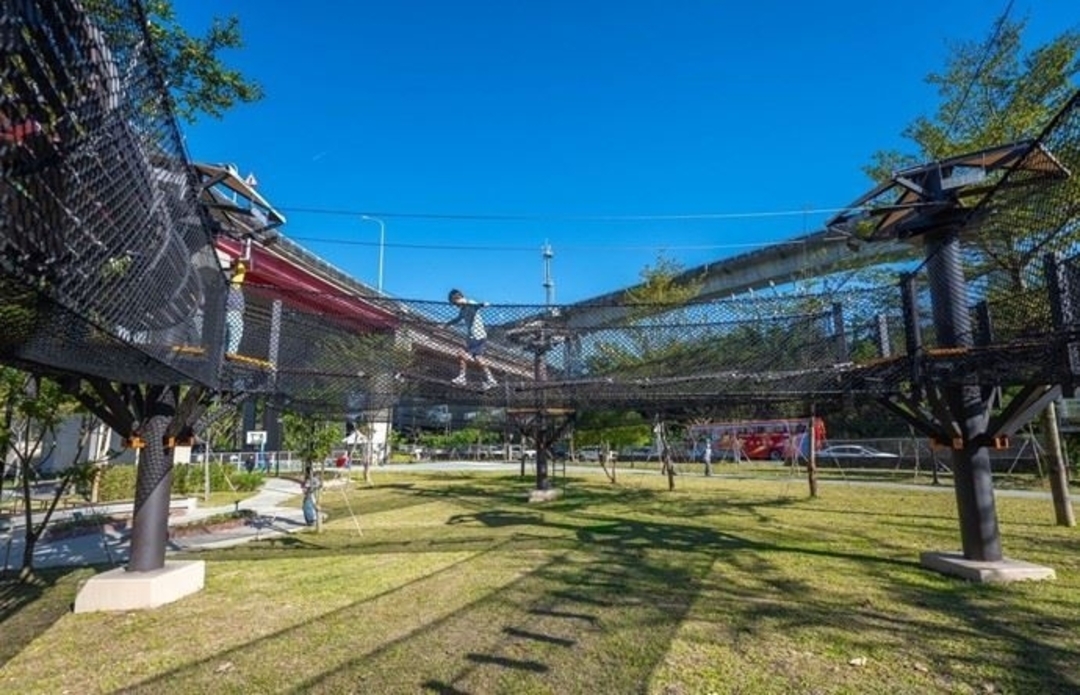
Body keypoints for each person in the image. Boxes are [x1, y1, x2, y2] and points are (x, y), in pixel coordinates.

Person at [445, 288, 497, 389]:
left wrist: (483, 304)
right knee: (476, 357)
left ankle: (463, 377)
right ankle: (490, 379)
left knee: (463, 354)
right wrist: (447, 324)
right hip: (472, 337)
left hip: (478, 335)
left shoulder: (469, 303)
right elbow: (458, 319)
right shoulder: (463, 309)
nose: (455, 306)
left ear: (457, 299)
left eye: (455, 303)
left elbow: (476, 305)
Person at [224, 259, 246, 354]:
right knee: (236, 333)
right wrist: (239, 260)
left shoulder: (224, 286)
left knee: (225, 335)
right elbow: (242, 270)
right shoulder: (234, 284)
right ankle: (231, 352)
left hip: (225, 312)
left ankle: (225, 351)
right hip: (234, 312)